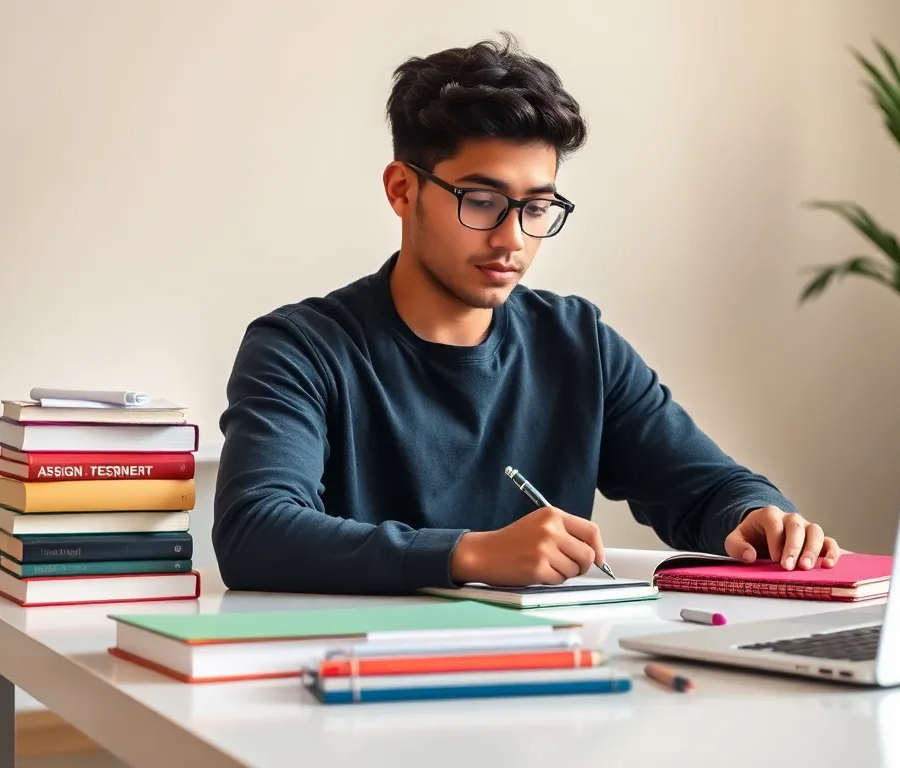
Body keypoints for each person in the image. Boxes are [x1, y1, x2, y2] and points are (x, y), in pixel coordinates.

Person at [212, 34, 842, 595]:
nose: (513, 238)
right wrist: (473, 554)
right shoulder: (298, 348)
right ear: (403, 190)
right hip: (355, 687)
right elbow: (255, 530)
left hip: (553, 686)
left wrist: (756, 514)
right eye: (482, 200)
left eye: (537, 207)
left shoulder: (578, 344)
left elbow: (706, 487)